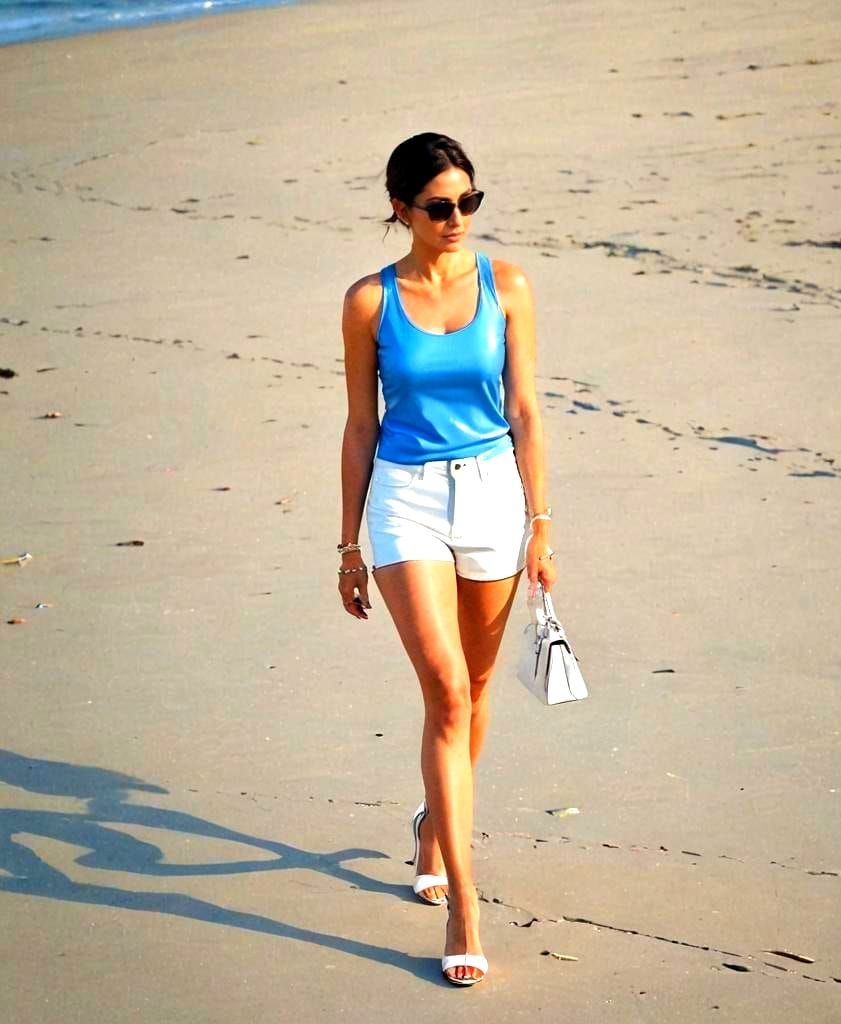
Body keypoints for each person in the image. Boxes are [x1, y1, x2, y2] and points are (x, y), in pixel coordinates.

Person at [337, 132, 557, 987]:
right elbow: (361, 425)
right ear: (402, 210)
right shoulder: (368, 302)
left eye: (469, 201)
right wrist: (347, 543)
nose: (457, 218)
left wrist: (542, 525)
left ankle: (434, 824)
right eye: (438, 206)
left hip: (495, 493)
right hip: (406, 498)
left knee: (475, 688)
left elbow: (528, 410)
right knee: (441, 686)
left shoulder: (510, 286)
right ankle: (466, 900)